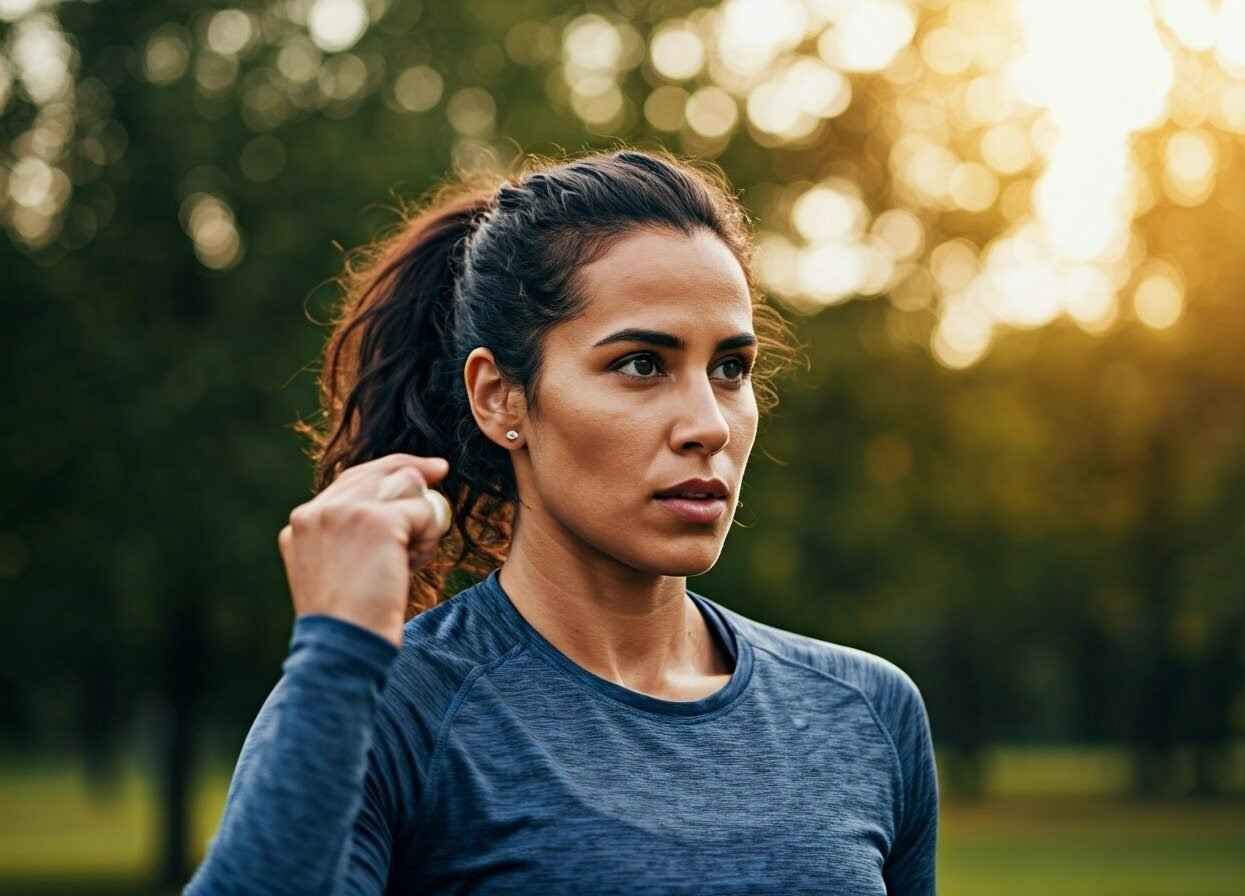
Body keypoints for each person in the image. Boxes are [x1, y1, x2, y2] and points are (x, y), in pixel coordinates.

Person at [184, 149, 938, 895]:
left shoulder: (867, 711)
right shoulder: (392, 705)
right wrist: (337, 651)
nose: (709, 424)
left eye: (730, 369)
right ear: (500, 397)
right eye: (642, 364)